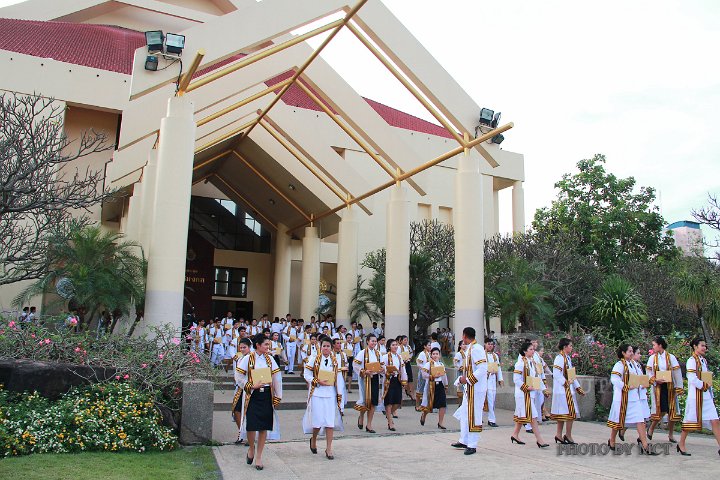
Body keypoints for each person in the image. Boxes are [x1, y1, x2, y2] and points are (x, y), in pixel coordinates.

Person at [236, 334, 283, 470]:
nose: (268, 347)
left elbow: (277, 377)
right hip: (253, 395)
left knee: (263, 426)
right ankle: (251, 447)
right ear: (258, 345)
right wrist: (250, 385)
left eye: (268, 345)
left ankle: (259, 456)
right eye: (266, 344)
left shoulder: (270, 360)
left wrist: (278, 395)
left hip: (266, 395)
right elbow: (238, 376)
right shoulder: (247, 358)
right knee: (251, 425)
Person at [607, 344, 656, 455]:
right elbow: (614, 379)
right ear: (623, 353)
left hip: (634, 398)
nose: (631, 353)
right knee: (617, 421)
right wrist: (626, 386)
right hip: (622, 398)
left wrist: (645, 383)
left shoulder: (634, 365)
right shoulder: (619, 365)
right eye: (629, 351)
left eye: (631, 351)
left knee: (640, 421)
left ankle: (645, 445)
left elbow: (639, 378)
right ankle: (612, 440)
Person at [303, 336, 344, 460]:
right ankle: (314, 439)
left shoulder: (335, 360)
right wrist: (316, 380)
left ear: (331, 348)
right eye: (324, 346)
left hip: (330, 393)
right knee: (318, 422)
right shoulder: (314, 359)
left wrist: (339, 396)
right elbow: (306, 374)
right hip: (317, 393)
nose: (326, 348)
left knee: (329, 422)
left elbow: (339, 378)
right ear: (321, 347)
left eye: (328, 346)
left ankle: (329, 448)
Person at [678, 337, 720, 456]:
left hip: (706, 396)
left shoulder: (703, 360)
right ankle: (681, 444)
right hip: (696, 396)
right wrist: (704, 385)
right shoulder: (691, 360)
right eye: (702, 345)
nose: (704, 348)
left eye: (705, 346)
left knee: (715, 421)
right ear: (695, 346)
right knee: (689, 422)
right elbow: (692, 378)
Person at [451, 327, 488, 456]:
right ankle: (464, 440)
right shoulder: (470, 349)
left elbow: (483, 368)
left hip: (476, 388)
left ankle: (472, 444)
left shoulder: (476, 349)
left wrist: (467, 379)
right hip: (470, 388)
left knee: (474, 415)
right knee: (466, 414)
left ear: (464, 336)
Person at [510, 341, 549, 448]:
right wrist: (526, 387)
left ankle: (515, 434)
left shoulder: (532, 363)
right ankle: (539, 440)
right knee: (533, 416)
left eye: (533, 349)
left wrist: (544, 389)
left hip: (529, 393)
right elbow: (516, 379)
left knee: (521, 415)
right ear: (524, 351)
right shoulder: (520, 363)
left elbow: (537, 378)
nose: (533, 351)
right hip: (523, 394)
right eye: (530, 349)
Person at [646, 336, 683, 442]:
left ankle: (671, 434)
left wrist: (679, 387)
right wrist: (654, 380)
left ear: (660, 345)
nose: (653, 347)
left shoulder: (671, 357)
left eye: (654, 345)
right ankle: (652, 427)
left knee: (672, 410)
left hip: (670, 387)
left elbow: (677, 373)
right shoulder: (652, 358)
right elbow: (649, 372)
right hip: (659, 387)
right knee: (661, 409)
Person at [550, 338, 585, 444]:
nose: (571, 347)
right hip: (563, 390)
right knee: (569, 413)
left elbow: (571, 375)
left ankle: (559, 435)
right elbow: (556, 373)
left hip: (567, 389)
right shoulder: (559, 358)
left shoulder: (567, 358)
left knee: (563, 413)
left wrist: (577, 387)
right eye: (570, 346)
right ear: (565, 347)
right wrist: (565, 383)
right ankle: (567, 435)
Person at [353, 333, 383, 433]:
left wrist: (381, 370)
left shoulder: (378, 353)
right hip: (365, 379)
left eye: (375, 341)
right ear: (367, 341)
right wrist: (364, 371)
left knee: (373, 402)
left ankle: (369, 424)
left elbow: (382, 366)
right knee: (366, 400)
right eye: (372, 341)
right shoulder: (362, 353)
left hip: (374, 379)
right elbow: (355, 364)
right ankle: (361, 416)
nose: (374, 343)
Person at [381, 338, 407, 430]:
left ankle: (389, 415)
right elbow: (382, 368)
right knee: (389, 401)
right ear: (389, 347)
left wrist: (404, 380)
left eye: (396, 345)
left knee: (397, 401)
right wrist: (387, 372)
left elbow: (403, 369)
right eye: (393, 345)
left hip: (397, 380)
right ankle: (390, 422)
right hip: (389, 381)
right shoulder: (385, 357)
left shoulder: (399, 357)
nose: (395, 346)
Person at [420, 347, 448, 429]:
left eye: (437, 354)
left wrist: (446, 385)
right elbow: (423, 375)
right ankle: (424, 415)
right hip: (431, 386)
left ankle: (440, 423)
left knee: (442, 404)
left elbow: (444, 376)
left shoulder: (441, 364)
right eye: (433, 354)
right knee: (429, 404)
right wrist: (432, 376)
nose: (435, 355)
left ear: (439, 355)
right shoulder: (428, 364)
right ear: (431, 355)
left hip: (440, 386)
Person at [232, 338, 253, 444]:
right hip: (240, 388)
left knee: (248, 412)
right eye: (241, 347)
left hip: (250, 388)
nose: (242, 349)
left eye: (244, 347)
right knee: (236, 410)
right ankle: (241, 432)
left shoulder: (253, 358)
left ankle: (249, 436)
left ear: (250, 347)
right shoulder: (240, 358)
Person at [485, 336, 504, 427]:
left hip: (493, 381)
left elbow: (498, 367)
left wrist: (500, 379)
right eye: (488, 344)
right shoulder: (482, 355)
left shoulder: (495, 355)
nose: (490, 346)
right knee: (485, 401)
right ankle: (484, 419)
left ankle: (491, 419)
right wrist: (487, 372)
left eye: (492, 344)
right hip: (485, 380)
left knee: (492, 400)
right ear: (485, 344)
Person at [332, 338, 349, 411]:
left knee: (340, 390)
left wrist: (345, 368)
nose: (339, 345)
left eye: (340, 343)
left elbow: (346, 364)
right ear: (333, 345)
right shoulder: (331, 354)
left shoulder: (343, 354)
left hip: (341, 375)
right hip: (332, 375)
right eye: (337, 343)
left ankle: (341, 409)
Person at [415, 339, 432, 412]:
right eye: (428, 345)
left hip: (429, 373)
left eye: (430, 345)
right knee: (420, 389)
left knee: (428, 389)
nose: (430, 346)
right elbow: (419, 364)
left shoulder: (431, 354)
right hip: (423, 373)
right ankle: (417, 405)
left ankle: (426, 405)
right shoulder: (422, 354)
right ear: (425, 346)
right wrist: (424, 369)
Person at [398, 335, 414, 400]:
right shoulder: (399, 348)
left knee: (410, 377)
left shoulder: (408, 347)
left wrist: (409, 357)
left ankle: (411, 392)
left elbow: (411, 353)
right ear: (401, 341)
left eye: (407, 340)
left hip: (407, 363)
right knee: (404, 378)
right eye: (404, 340)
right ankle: (406, 390)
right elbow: (398, 355)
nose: (406, 341)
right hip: (402, 364)